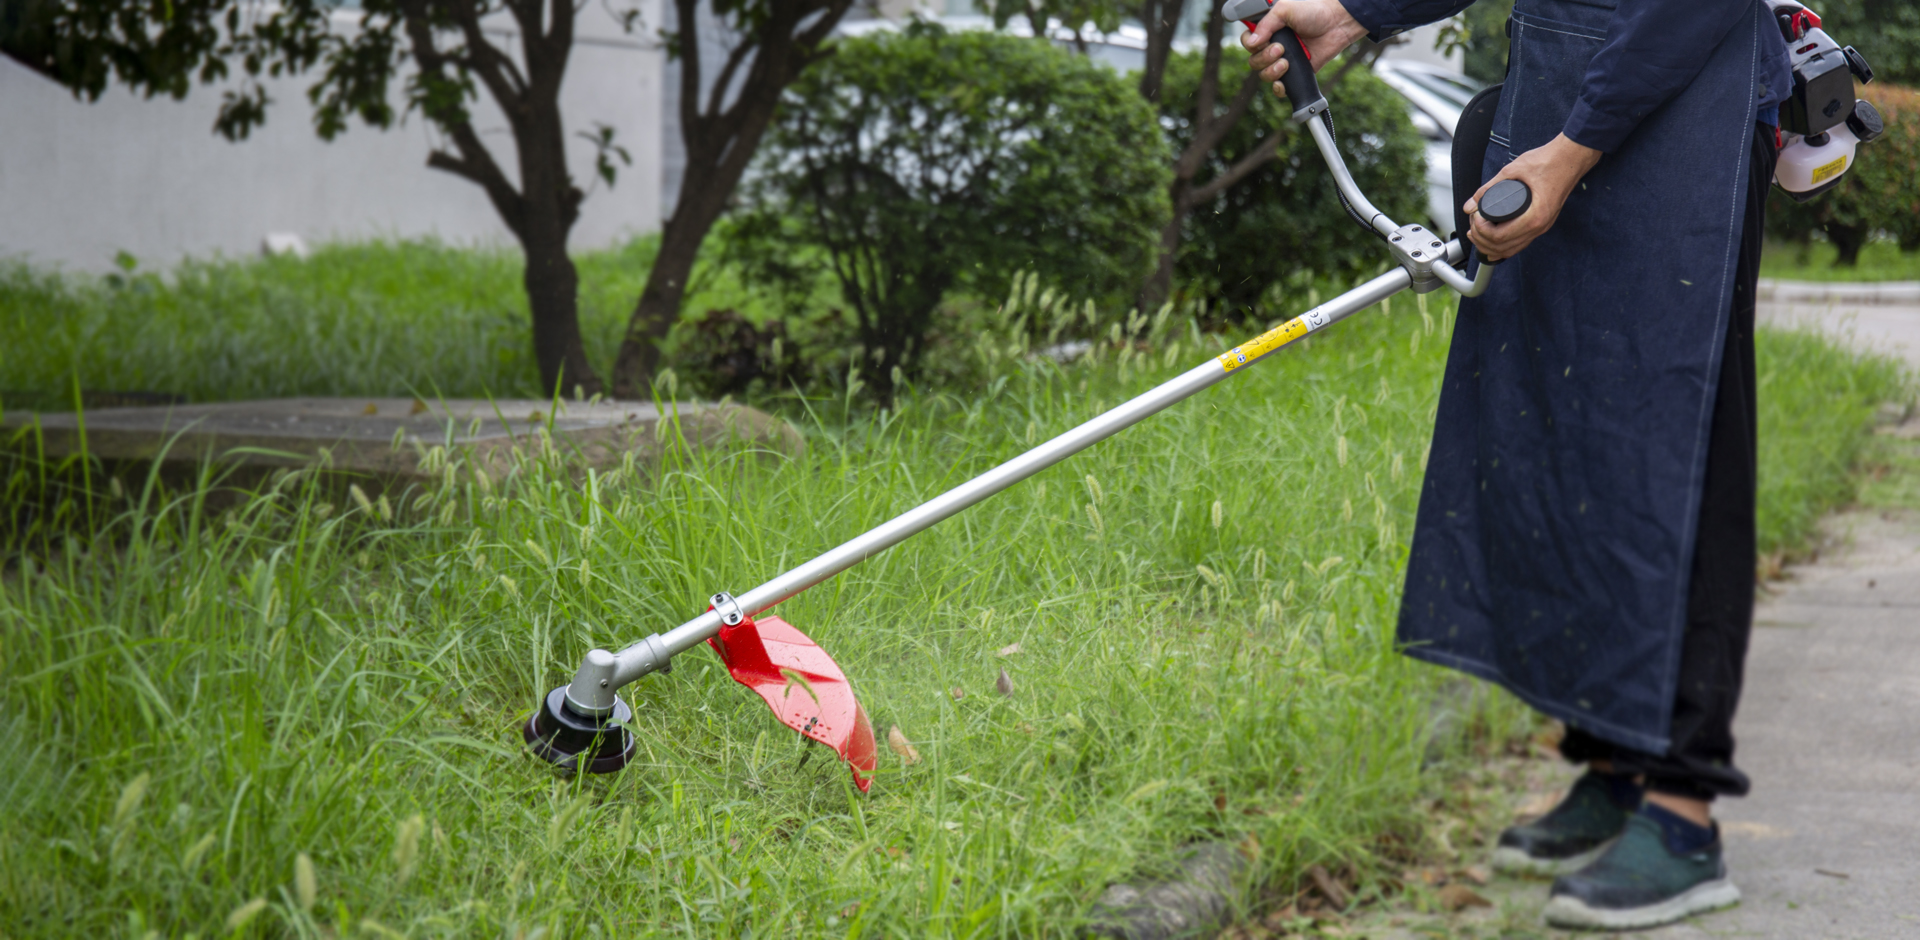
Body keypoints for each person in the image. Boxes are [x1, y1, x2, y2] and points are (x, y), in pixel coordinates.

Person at [1241, 0, 1790, 930]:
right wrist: (1355, 13)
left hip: (1679, 117)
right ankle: (1615, 763)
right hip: (1559, 106)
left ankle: (1685, 811)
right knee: (1568, 443)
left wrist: (1572, 152)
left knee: (1677, 447)